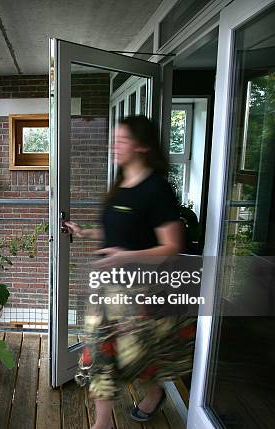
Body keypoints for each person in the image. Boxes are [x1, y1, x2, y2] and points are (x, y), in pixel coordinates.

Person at [65, 115, 196, 428]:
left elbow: (172, 246)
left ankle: (154, 395)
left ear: (142, 146)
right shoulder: (120, 184)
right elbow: (117, 233)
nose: (115, 145)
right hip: (107, 291)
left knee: (139, 357)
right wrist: (85, 233)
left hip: (141, 293)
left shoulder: (157, 189)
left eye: (122, 139)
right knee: (101, 354)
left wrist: (126, 257)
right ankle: (103, 423)